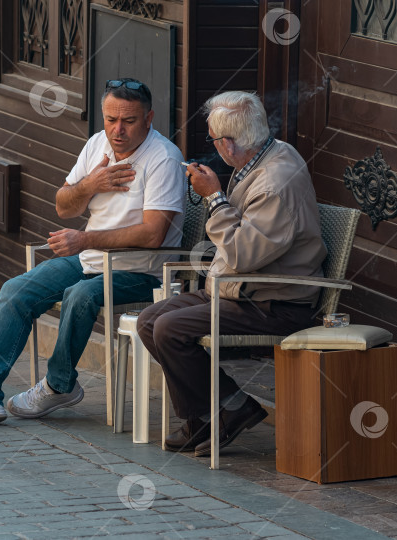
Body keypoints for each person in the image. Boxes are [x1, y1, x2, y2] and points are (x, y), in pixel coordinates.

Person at [0, 78, 186, 427]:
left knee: (79, 295)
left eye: (128, 120)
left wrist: (86, 240)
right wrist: (89, 185)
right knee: (15, 290)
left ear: (149, 118)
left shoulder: (164, 158)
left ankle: (59, 385)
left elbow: (154, 234)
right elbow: (64, 207)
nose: (118, 130)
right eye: (110, 119)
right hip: (92, 260)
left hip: (143, 272)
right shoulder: (99, 144)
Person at [137, 91, 327, 456]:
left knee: (170, 328)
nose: (213, 146)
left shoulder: (275, 182)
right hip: (239, 290)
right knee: (150, 320)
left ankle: (232, 409)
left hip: (275, 302)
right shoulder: (265, 153)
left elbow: (241, 254)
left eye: (212, 139)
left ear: (227, 143)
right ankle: (208, 416)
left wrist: (214, 199)